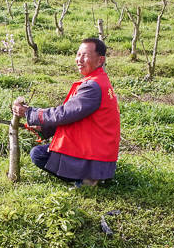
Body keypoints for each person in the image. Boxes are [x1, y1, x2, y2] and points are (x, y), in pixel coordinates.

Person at [12, 37, 120, 187]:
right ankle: (91, 175)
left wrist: (30, 113)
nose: (79, 59)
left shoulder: (92, 87)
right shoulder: (98, 81)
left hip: (96, 157)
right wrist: (45, 128)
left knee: (38, 154)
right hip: (99, 152)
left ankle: (86, 180)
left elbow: (64, 114)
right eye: (78, 54)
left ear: (100, 60)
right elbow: (75, 117)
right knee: (46, 149)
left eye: (85, 55)